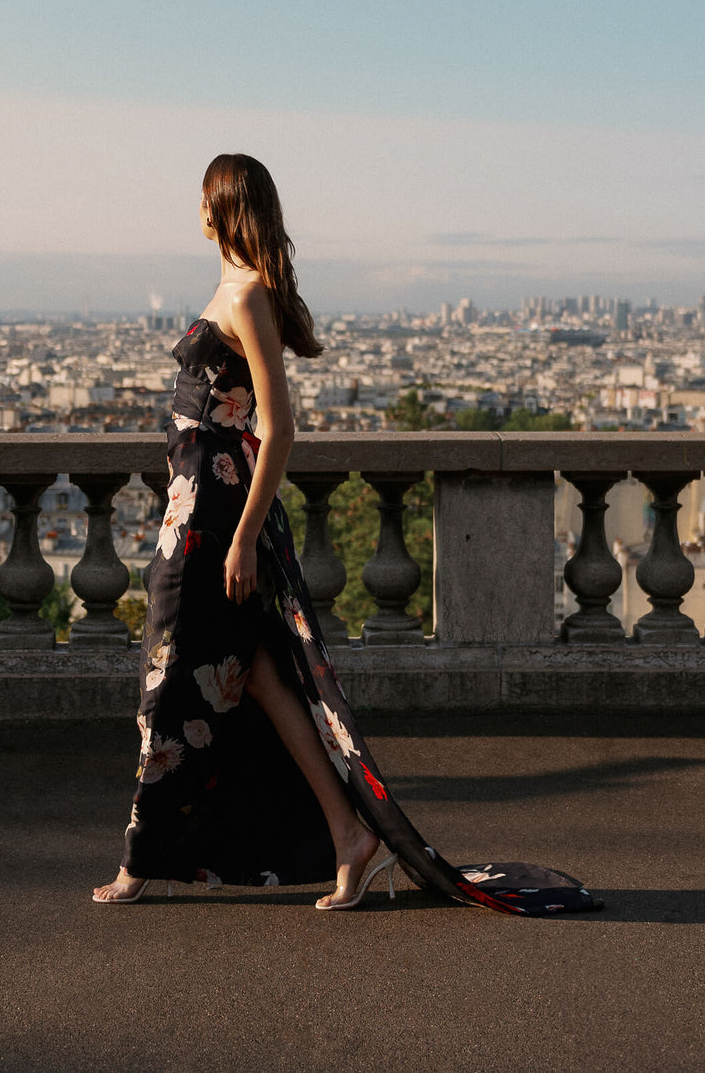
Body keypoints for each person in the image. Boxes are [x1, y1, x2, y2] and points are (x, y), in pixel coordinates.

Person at [93, 154, 598, 916]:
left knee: (170, 677)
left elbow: (281, 426)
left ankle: (142, 860)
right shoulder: (236, 286)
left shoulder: (250, 295)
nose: (196, 212)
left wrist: (241, 538)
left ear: (223, 208)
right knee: (255, 674)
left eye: (204, 200)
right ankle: (347, 837)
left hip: (216, 519)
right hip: (194, 508)